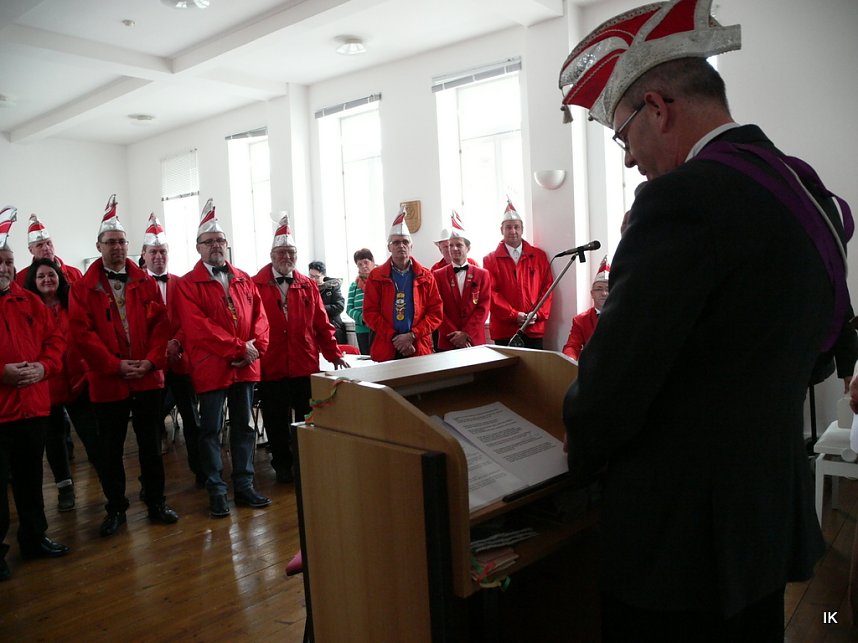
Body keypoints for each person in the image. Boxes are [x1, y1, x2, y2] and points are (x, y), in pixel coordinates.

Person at [558, 0, 853, 639]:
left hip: (680, 539)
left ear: (658, 108)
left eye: (622, 135)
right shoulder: (806, 190)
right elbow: (825, 351)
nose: (629, 158)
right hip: (764, 512)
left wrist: (573, 451)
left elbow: (613, 386)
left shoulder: (680, 202)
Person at [69, 195, 179, 537]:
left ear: (129, 246)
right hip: (109, 382)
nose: (117, 247)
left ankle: (156, 500)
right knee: (111, 449)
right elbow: (81, 334)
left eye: (121, 242)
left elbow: (162, 326)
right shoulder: (83, 288)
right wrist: (115, 365)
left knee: (151, 444)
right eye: (110, 242)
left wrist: (149, 362)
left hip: (147, 378)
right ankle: (115, 507)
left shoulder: (145, 282)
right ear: (99, 246)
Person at [174, 199, 271, 518]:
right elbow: (197, 328)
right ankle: (216, 489)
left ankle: (244, 484)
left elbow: (261, 319)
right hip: (212, 368)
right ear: (198, 248)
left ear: (227, 245)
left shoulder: (244, 279)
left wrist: (255, 348)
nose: (216, 246)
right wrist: (238, 348)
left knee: (244, 427)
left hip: (246, 367)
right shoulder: (188, 285)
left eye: (220, 241)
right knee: (211, 429)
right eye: (209, 242)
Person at [0, 207, 70, 582]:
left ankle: (34, 538)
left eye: (9, 262)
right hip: (2, 411)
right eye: (0, 261)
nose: (5, 268)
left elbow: (56, 341)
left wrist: (44, 367)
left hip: (33, 408)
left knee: (30, 480)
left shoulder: (29, 302)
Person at [254, 214, 348, 483]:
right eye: (282, 252)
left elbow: (321, 323)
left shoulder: (308, 285)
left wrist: (333, 353)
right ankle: (282, 465)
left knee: (307, 418)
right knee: (274, 419)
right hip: (270, 365)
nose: (287, 257)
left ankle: (306, 462)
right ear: (272, 254)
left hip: (304, 363)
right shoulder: (254, 283)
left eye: (291, 252)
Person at [139, 213, 203, 485]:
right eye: (153, 252)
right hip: (151, 366)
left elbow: (190, 319)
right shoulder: (134, 286)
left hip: (180, 362)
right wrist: (159, 348)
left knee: (192, 420)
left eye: (162, 251)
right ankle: (153, 484)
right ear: (143, 254)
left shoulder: (182, 283)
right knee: (151, 424)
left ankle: (201, 472)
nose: (158, 256)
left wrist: (176, 342)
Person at [23, 260, 82, 511]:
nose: (47, 279)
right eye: (41, 277)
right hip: (47, 385)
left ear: (59, 277)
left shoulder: (74, 305)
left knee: (93, 437)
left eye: (51, 274)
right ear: (33, 283)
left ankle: (111, 490)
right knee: (55, 440)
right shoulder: (29, 310)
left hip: (79, 382)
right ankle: (64, 487)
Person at [363, 207, 443, 362]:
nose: (401, 246)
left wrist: (412, 335)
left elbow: (435, 313)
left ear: (411, 246)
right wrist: (395, 338)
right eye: (396, 242)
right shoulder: (376, 276)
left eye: (405, 242)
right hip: (386, 347)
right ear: (389, 247)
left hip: (418, 346)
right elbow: (370, 313)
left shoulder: (426, 276)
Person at [482, 199, 553, 349]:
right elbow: (491, 294)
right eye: (508, 227)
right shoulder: (490, 260)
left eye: (516, 227)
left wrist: (538, 314)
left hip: (533, 328)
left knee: (536, 371)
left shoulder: (539, 256)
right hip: (505, 330)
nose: (513, 231)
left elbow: (548, 288)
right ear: (501, 230)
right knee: (508, 372)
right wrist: (514, 315)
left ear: (522, 229)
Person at [432, 214, 491, 351]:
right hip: (448, 340)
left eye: (459, 245)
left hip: (474, 340)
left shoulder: (482, 274)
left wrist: (466, 334)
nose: (454, 249)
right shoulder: (438, 275)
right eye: (451, 245)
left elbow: (483, 308)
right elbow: (437, 308)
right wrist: (455, 336)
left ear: (468, 248)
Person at [561, 256, 610, 362]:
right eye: (599, 289)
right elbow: (572, 346)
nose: (604, 293)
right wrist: (570, 359)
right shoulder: (581, 320)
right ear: (592, 293)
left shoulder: (626, 316)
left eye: (608, 289)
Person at [15, 212, 83, 287]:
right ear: (31, 250)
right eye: (39, 245)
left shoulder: (75, 274)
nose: (46, 248)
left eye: (48, 243)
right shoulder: (20, 278)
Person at [307, 260, 347, 344]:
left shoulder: (333, 287)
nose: (313, 279)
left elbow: (339, 306)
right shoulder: (306, 289)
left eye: (317, 277)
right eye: (311, 276)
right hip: (313, 329)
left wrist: (319, 308)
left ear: (323, 275)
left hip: (333, 327)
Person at [347, 248, 375, 355]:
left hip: (379, 329)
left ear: (373, 262)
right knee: (366, 360)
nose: (363, 266)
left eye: (366, 262)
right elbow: (349, 309)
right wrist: (363, 318)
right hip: (362, 330)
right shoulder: (354, 285)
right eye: (359, 264)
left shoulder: (380, 281)